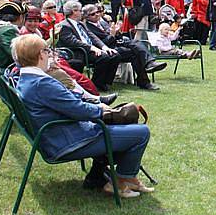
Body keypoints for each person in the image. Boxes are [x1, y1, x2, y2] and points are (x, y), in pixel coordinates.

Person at [13, 34, 153, 197]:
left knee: (122, 124)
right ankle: (122, 179)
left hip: (56, 136)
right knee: (141, 133)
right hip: (67, 141)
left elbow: (71, 106)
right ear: (40, 54)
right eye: (47, 50)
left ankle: (115, 177)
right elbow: (79, 110)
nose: (49, 53)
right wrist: (103, 109)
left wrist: (98, 107)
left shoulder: (26, 79)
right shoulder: (41, 83)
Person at [57, 0, 120, 91]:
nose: (81, 13)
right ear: (73, 11)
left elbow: (92, 37)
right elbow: (73, 42)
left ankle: (105, 82)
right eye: (79, 10)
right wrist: (91, 47)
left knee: (114, 55)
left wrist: (105, 47)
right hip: (79, 51)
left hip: (91, 49)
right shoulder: (64, 25)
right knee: (104, 57)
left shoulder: (81, 24)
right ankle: (95, 84)